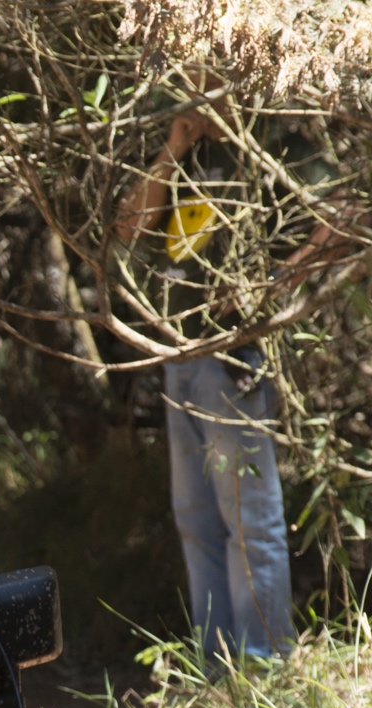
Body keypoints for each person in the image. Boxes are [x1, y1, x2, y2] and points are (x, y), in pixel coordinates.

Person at [118, 107, 302, 661]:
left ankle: (265, 664)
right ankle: (218, 666)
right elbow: (128, 228)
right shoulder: (184, 152)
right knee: (196, 518)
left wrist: (271, 287)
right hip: (179, 356)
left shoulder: (270, 144)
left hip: (233, 357)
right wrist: (173, 148)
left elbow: (340, 219)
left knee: (251, 519)